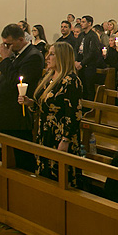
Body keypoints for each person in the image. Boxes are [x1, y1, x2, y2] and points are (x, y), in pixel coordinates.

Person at [0, 24, 44, 171]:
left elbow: (18, 83)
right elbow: (6, 81)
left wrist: (6, 59)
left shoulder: (33, 56)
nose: (6, 47)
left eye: (9, 43)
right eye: (4, 43)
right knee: (8, 155)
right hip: (6, 111)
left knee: (22, 157)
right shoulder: (16, 53)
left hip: (18, 114)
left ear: (20, 39)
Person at [17, 42, 83, 184]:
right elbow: (43, 105)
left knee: (59, 174)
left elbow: (73, 114)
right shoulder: (48, 77)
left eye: (52, 54)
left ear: (62, 57)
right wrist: (30, 102)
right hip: (45, 131)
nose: (47, 57)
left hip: (60, 135)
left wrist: (65, 140)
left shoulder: (71, 81)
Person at [74, 15, 103, 100]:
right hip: (79, 64)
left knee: (89, 87)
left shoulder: (93, 36)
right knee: (81, 87)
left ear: (89, 23)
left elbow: (93, 52)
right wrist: (76, 61)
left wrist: (82, 63)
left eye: (83, 22)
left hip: (89, 65)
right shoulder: (81, 35)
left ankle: (89, 107)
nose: (81, 24)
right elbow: (76, 48)